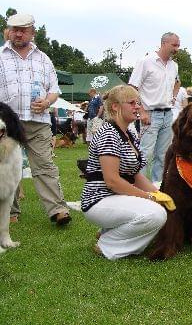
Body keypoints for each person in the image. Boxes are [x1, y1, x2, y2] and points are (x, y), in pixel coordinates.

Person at [80, 85, 169, 260]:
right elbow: (112, 181)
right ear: (115, 107)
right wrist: (149, 197)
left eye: (138, 103)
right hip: (99, 200)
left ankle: (109, 231)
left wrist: (159, 195)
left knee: (161, 206)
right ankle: (108, 244)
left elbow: (135, 175)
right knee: (156, 214)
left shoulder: (129, 133)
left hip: (114, 198)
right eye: (132, 103)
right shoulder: (109, 134)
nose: (137, 107)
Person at [0, 13, 71, 225]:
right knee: (6, 167)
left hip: (38, 121)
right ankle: (10, 212)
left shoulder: (44, 59)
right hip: (6, 122)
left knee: (45, 166)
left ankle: (58, 210)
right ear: (9, 31)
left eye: (23, 30)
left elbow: (54, 90)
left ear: (32, 32)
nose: (18, 33)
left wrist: (47, 102)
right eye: (14, 29)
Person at [129, 32, 181, 184]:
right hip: (150, 114)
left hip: (167, 114)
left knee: (164, 154)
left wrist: (172, 98)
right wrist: (142, 111)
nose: (177, 49)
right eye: (174, 45)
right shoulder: (146, 61)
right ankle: (140, 188)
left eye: (178, 45)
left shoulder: (174, 66)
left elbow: (177, 83)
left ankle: (158, 187)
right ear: (164, 43)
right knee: (145, 153)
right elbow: (132, 88)